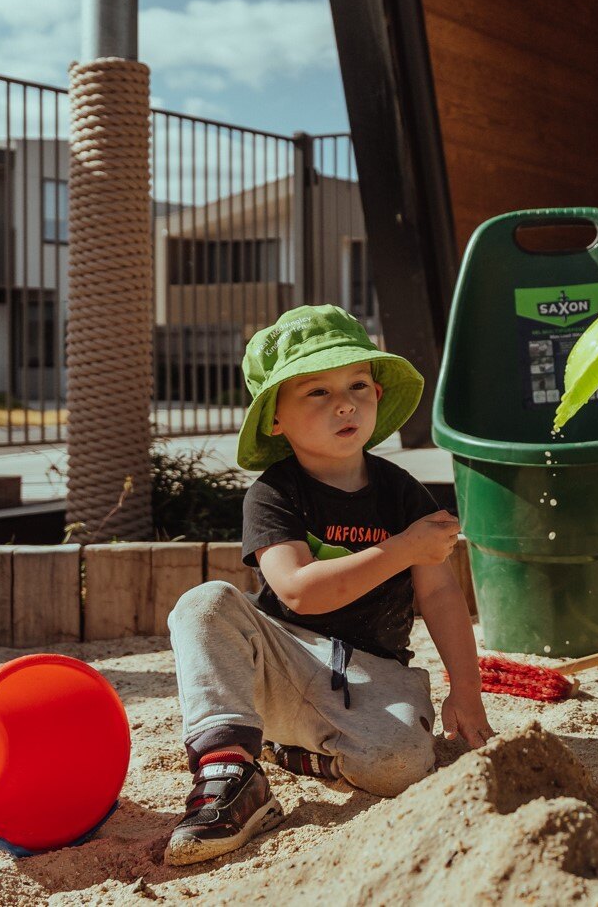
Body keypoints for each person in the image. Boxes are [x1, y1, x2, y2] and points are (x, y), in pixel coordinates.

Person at [163, 304, 493, 866]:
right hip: (282, 659)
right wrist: (402, 548)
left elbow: (439, 594)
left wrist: (466, 688)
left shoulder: (404, 495)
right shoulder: (273, 494)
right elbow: (298, 592)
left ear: (378, 397)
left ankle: (294, 755)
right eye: (316, 392)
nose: (345, 403)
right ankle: (230, 769)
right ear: (275, 420)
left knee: (403, 765)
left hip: (372, 674)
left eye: (359, 384)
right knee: (204, 603)